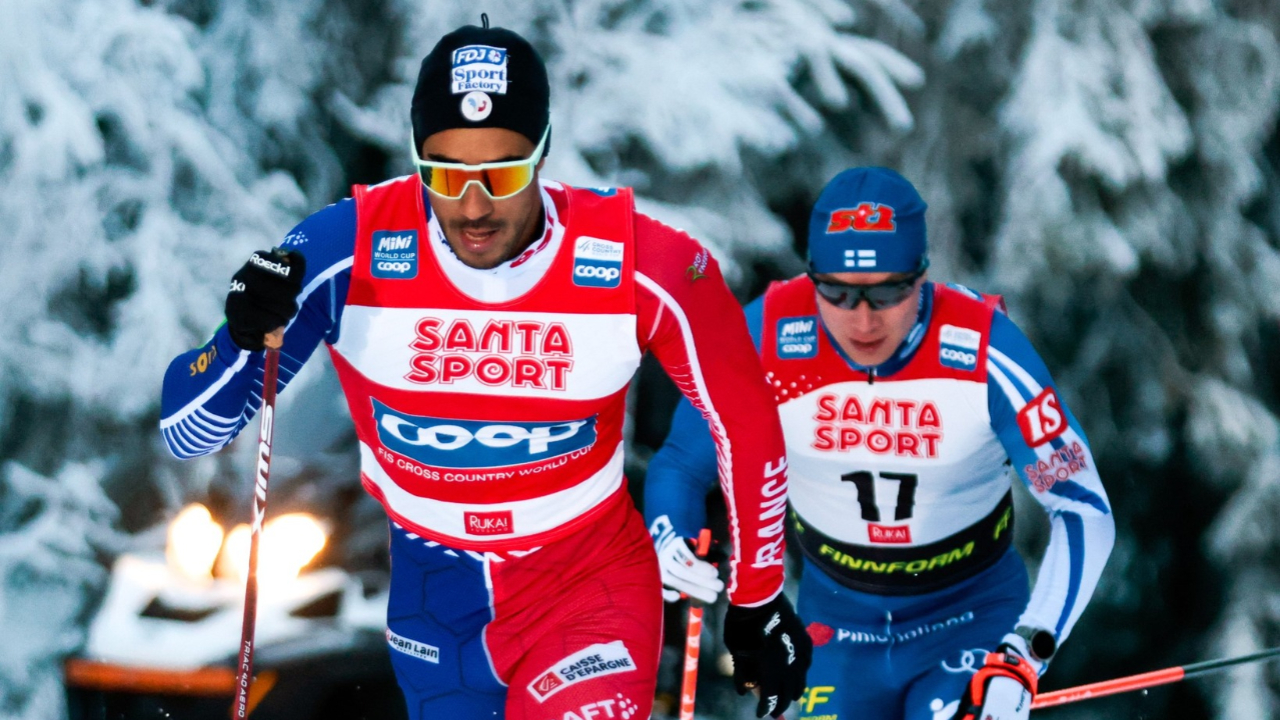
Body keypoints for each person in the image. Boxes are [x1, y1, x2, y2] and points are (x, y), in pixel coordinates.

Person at [160, 17, 811, 720]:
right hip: (434, 606)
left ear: (542, 153)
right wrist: (238, 337)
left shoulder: (639, 263)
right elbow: (184, 431)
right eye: (444, 174)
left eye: (501, 174)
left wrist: (757, 597)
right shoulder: (349, 248)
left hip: (586, 586)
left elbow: (743, 421)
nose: (473, 206)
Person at [645, 167, 1114, 720]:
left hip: (967, 615)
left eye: (888, 292)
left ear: (921, 277)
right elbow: (682, 462)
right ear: (812, 276)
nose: (863, 320)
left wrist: (1024, 653)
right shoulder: (769, 337)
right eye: (837, 292)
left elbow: (1082, 507)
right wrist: (670, 536)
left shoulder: (981, 347)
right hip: (835, 624)